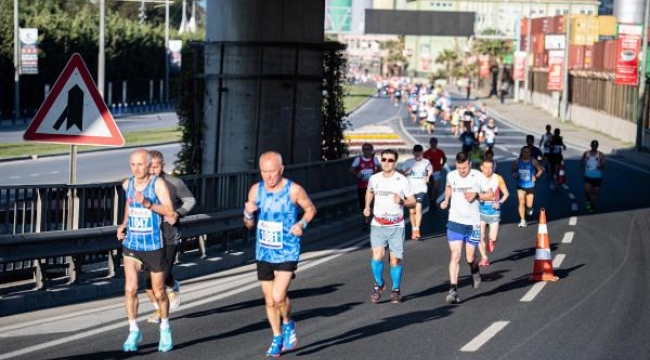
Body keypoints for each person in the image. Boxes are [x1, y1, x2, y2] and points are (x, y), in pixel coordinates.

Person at [243, 151, 316, 357]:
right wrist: (248, 213)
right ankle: (277, 337)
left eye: (273, 171)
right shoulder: (255, 191)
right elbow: (249, 225)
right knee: (269, 301)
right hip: (264, 251)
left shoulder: (293, 190)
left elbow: (310, 209)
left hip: (287, 250)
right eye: (264, 172)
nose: (269, 176)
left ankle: (288, 323)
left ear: (281, 170)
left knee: (278, 296)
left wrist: (301, 224)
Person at [116, 148, 175, 353]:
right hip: (132, 244)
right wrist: (123, 225)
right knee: (130, 289)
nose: (136, 168)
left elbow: (169, 210)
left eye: (140, 164)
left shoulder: (158, 184)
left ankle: (165, 328)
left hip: (152, 246)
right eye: (133, 164)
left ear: (149, 165)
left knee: (158, 292)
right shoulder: (127, 184)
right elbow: (130, 205)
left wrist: (148, 203)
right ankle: (133, 330)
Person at [144, 150, 196, 323]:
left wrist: (177, 213)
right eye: (150, 167)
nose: (153, 171)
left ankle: (172, 284)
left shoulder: (174, 183)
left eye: (157, 167)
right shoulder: (142, 184)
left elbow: (190, 200)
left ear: (162, 165)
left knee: (161, 275)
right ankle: (159, 310)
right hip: (149, 236)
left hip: (169, 235)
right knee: (147, 282)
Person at [440, 152, 493, 304]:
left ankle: (475, 270)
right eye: (459, 167)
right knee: (455, 255)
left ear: (470, 163)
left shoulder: (478, 176)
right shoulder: (451, 175)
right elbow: (449, 187)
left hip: (473, 224)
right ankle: (453, 290)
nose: (462, 170)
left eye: (464, 167)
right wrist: (446, 199)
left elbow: (491, 195)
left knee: (470, 257)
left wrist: (477, 195)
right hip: (455, 222)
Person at [364, 149, 416, 304]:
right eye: (384, 159)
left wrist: (402, 202)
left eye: (390, 160)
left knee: (394, 261)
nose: (387, 163)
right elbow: (369, 191)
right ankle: (379, 284)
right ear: (381, 161)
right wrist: (367, 205)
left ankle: (395, 289)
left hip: (396, 226)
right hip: (378, 224)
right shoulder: (374, 178)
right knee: (376, 256)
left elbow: (412, 201)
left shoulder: (402, 180)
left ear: (395, 162)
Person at [478, 159, 509, 266]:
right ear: (481, 167)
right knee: (479, 236)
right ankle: (484, 257)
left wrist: (500, 202)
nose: (488, 170)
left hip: (494, 211)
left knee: (493, 237)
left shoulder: (498, 178)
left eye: (490, 167)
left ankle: (492, 241)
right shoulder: (477, 178)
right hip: (480, 211)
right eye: (485, 167)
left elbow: (506, 194)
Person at [401, 145, 432, 240]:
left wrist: (427, 176)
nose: (418, 153)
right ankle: (413, 228)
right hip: (410, 189)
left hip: (421, 188)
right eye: (416, 152)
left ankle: (417, 229)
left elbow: (429, 170)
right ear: (413, 152)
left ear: (422, 152)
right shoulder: (408, 162)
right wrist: (406, 172)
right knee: (412, 211)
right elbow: (402, 174)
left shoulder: (426, 162)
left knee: (418, 207)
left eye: (419, 151)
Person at [350, 143, 380, 232]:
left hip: (371, 187)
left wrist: (375, 175)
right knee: (363, 206)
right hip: (361, 186)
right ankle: (367, 219)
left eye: (368, 149)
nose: (366, 151)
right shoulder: (358, 160)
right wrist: (357, 174)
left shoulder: (375, 160)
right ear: (362, 150)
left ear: (371, 150)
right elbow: (351, 169)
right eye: (364, 149)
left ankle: (366, 223)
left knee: (369, 205)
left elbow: (379, 169)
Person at [511, 146, 544, 227]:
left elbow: (541, 170)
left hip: (530, 185)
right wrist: (515, 174)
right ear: (521, 152)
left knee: (529, 205)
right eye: (524, 151)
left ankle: (529, 208)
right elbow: (513, 170)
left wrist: (536, 177)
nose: (526, 153)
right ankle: (522, 220)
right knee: (521, 201)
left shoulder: (533, 161)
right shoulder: (517, 161)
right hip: (520, 185)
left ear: (530, 152)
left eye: (528, 151)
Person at [581, 140, 605, 213]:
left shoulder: (600, 154)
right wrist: (582, 170)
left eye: (595, 146)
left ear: (597, 146)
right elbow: (582, 161)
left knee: (596, 192)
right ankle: (588, 201)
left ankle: (592, 206)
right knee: (587, 191)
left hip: (597, 176)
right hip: (588, 175)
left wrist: (601, 165)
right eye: (593, 146)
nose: (594, 147)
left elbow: (603, 164)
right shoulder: (586, 153)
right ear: (591, 146)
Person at [423, 137, 447, 203]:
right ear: (430, 143)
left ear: (436, 143)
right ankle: (431, 200)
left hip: (437, 171)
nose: (433, 144)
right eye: (432, 143)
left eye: (434, 143)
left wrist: (441, 165)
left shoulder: (440, 152)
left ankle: (434, 200)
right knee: (430, 188)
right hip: (429, 172)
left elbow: (444, 158)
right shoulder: (426, 153)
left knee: (436, 187)